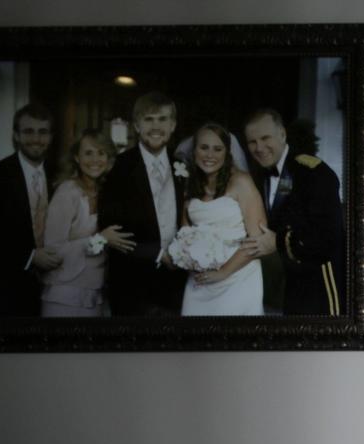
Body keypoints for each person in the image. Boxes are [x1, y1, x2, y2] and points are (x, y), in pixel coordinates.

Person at [237, 109, 346, 317]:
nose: (259, 148)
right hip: (291, 286)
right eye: (252, 142)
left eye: (265, 138)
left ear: (282, 134)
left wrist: (277, 242)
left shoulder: (314, 173)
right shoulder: (259, 176)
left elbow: (327, 238)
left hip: (321, 285)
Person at [98, 92, 187, 316]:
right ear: (137, 126)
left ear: (173, 125)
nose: (155, 126)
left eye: (162, 119)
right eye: (148, 120)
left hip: (176, 285)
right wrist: (157, 254)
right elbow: (112, 232)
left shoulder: (184, 167)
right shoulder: (119, 167)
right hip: (132, 286)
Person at [0, 103, 61, 317]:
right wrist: (28, 256)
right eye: (28, 131)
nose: (36, 139)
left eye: (43, 132)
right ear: (16, 135)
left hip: (50, 290)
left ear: (51, 136)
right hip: (3, 291)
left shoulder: (60, 174)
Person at [171, 123, 267, 317]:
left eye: (217, 149)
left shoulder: (242, 182)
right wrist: (186, 256)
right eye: (204, 147)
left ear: (227, 152)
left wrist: (223, 271)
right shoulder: (190, 184)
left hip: (239, 278)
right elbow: (185, 232)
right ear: (194, 150)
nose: (209, 155)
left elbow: (259, 239)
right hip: (200, 280)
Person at [39, 130, 134, 317]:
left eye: (101, 153)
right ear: (76, 157)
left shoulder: (107, 193)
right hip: (64, 294)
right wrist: (100, 240)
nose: (95, 159)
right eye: (88, 153)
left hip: (96, 294)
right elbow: (52, 250)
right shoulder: (67, 192)